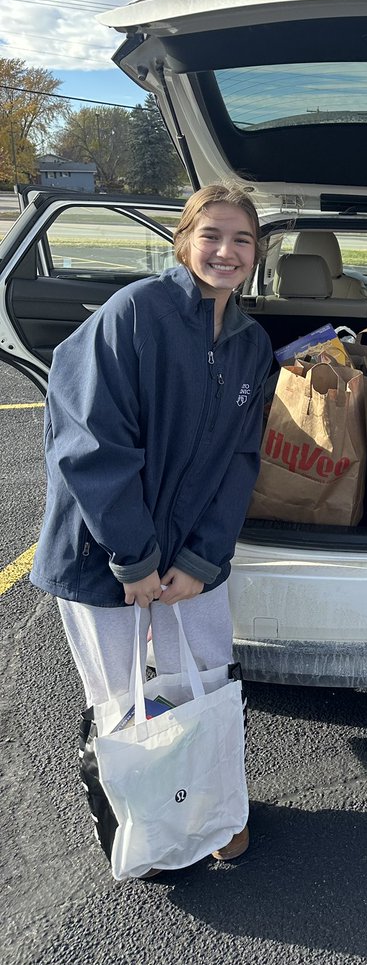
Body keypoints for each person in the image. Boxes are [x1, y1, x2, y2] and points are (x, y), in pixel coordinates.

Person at [31, 183, 273, 875]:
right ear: (185, 239)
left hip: (190, 556)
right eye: (213, 236)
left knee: (205, 682)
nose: (226, 252)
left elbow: (240, 460)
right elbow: (90, 442)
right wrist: (133, 559)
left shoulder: (252, 344)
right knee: (117, 699)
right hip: (102, 551)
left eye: (242, 240)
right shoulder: (135, 312)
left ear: (257, 253)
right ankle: (140, 823)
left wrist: (201, 557)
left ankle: (213, 811)